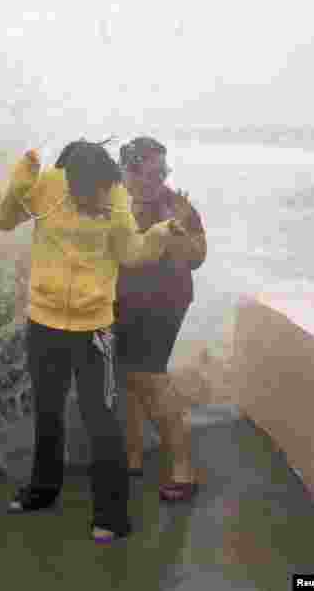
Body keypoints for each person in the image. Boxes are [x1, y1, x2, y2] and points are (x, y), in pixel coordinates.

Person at [0, 140, 188, 544]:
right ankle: (42, 493)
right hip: (44, 324)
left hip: (96, 329)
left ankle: (112, 517)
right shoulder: (47, 187)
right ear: (69, 178)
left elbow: (131, 252)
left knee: (103, 423)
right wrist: (17, 185)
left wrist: (163, 232)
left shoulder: (113, 194)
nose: (98, 195)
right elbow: (2, 220)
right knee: (48, 414)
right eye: (90, 187)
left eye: (103, 186)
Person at [116, 137, 206, 502]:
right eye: (154, 173)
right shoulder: (114, 199)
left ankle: (184, 470)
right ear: (129, 172)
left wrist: (178, 231)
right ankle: (133, 456)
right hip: (121, 300)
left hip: (165, 301)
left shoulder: (175, 204)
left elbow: (198, 256)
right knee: (127, 376)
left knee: (148, 377)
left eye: (164, 172)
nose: (161, 179)